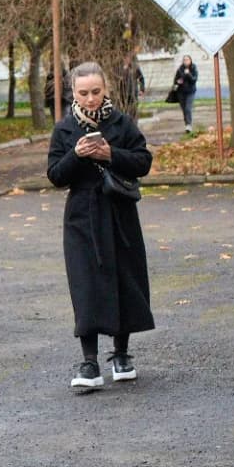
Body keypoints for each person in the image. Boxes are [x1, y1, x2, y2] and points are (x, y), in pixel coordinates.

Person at [46, 63, 155, 388]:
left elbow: (143, 161)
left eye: (96, 92)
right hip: (82, 217)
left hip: (119, 213)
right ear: (73, 93)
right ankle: (89, 362)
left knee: (125, 279)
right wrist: (77, 155)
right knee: (85, 284)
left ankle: (121, 355)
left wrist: (111, 154)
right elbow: (55, 176)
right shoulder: (64, 129)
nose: (91, 98)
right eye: (84, 93)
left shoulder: (122, 123)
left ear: (105, 89)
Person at [170, 54, 199, 133]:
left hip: (190, 92)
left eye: (187, 60)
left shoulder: (193, 68)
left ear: (190, 60)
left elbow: (194, 79)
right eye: (184, 60)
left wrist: (188, 74)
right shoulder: (180, 69)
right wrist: (178, 82)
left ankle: (189, 124)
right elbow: (176, 80)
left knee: (188, 108)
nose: (186, 61)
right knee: (184, 109)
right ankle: (187, 124)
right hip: (181, 92)